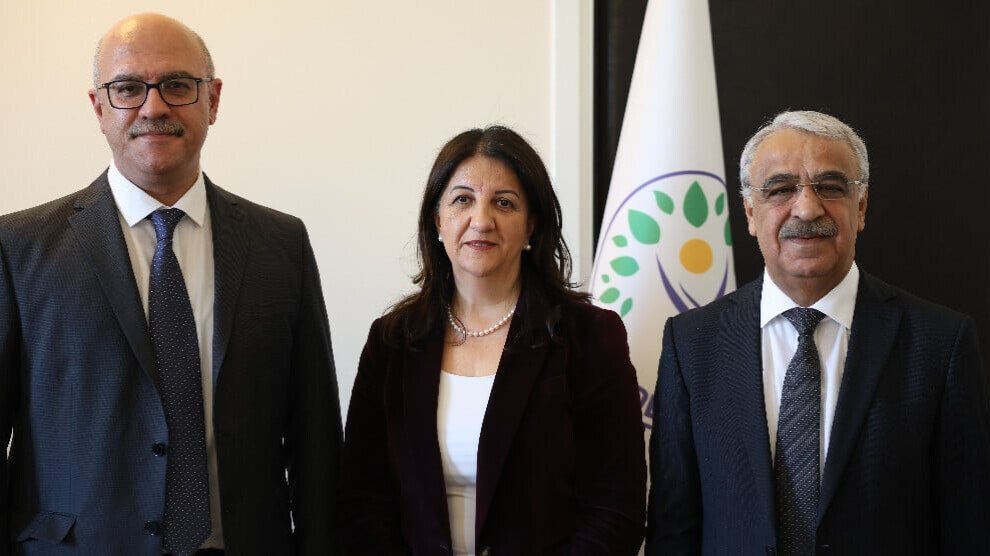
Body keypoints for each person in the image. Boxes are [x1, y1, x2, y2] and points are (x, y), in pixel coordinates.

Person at [0, 13, 342, 556]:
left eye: (177, 85)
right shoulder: (18, 247)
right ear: (98, 107)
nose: (153, 107)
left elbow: (315, 438)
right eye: (127, 88)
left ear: (213, 100)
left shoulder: (281, 245)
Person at [645, 110, 990, 555]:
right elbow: (673, 527)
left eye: (830, 187)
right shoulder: (692, 343)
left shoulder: (941, 342)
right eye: (780, 189)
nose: (807, 208)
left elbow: (968, 525)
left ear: (860, 207)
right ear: (750, 211)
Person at [338, 125, 646, 555]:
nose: (481, 220)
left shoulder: (590, 337)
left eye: (504, 202)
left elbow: (616, 509)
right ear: (438, 220)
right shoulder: (391, 342)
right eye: (462, 199)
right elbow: (363, 499)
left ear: (531, 224)